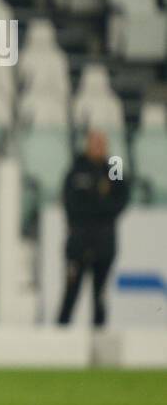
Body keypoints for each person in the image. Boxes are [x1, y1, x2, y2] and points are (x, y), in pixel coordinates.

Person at [58, 130, 130, 327]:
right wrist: (100, 202)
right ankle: (60, 340)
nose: (98, 147)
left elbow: (120, 201)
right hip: (78, 244)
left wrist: (95, 202)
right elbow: (71, 204)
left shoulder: (114, 166)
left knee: (99, 297)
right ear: (87, 144)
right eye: (94, 142)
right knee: (70, 293)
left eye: (102, 143)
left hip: (104, 244)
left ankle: (98, 345)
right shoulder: (77, 167)